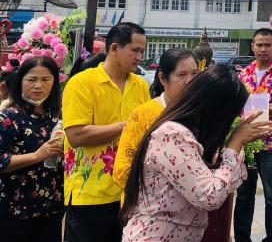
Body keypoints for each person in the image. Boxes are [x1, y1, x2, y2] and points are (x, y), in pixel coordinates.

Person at [121, 65, 271, 242]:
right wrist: (234, 144)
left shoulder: (191, 133)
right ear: (215, 109)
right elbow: (210, 197)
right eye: (230, 115)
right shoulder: (172, 135)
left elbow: (221, 183)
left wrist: (236, 148)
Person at [62, 22, 150, 242]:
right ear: (113, 48)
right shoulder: (82, 83)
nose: (140, 57)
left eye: (142, 51)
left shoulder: (141, 85)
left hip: (128, 193)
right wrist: (128, 125)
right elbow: (76, 135)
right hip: (89, 194)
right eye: (135, 50)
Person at [233, 28, 272, 242]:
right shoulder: (244, 73)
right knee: (243, 196)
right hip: (246, 143)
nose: (263, 49)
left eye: (267, 44)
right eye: (259, 44)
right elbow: (236, 106)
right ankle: (242, 239)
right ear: (252, 46)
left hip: (270, 144)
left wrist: (267, 109)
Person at [113, 47, 199, 189]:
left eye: (195, 73)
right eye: (182, 74)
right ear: (162, 78)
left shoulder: (200, 112)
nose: (189, 81)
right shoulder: (143, 116)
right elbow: (122, 170)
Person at [0, 56, 64, 241]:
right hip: (15, 209)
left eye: (45, 80)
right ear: (20, 81)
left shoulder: (58, 115)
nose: (38, 86)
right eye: (31, 79)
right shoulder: (8, 117)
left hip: (51, 208)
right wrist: (37, 155)